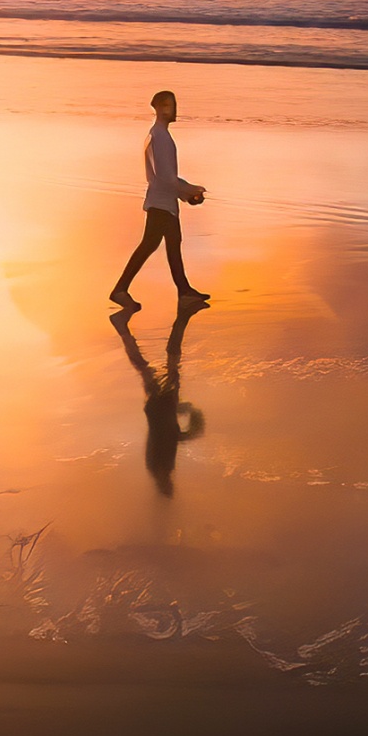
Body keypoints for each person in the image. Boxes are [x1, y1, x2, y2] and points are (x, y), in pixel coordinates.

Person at [110, 88, 209, 311]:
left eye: (173, 105)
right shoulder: (160, 137)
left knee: (169, 245)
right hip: (161, 204)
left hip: (162, 201)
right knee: (153, 246)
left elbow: (166, 177)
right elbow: (166, 178)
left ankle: (183, 292)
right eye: (170, 105)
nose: (174, 110)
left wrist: (186, 194)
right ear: (160, 108)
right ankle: (120, 290)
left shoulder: (156, 135)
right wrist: (190, 191)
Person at [110, 297, 205, 496]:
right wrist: (190, 418)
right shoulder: (160, 469)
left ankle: (182, 317)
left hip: (161, 409)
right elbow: (172, 436)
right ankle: (180, 319)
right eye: (170, 486)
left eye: (167, 487)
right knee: (152, 368)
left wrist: (191, 418)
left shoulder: (158, 467)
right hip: (160, 410)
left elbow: (169, 436)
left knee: (168, 366)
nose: (170, 484)